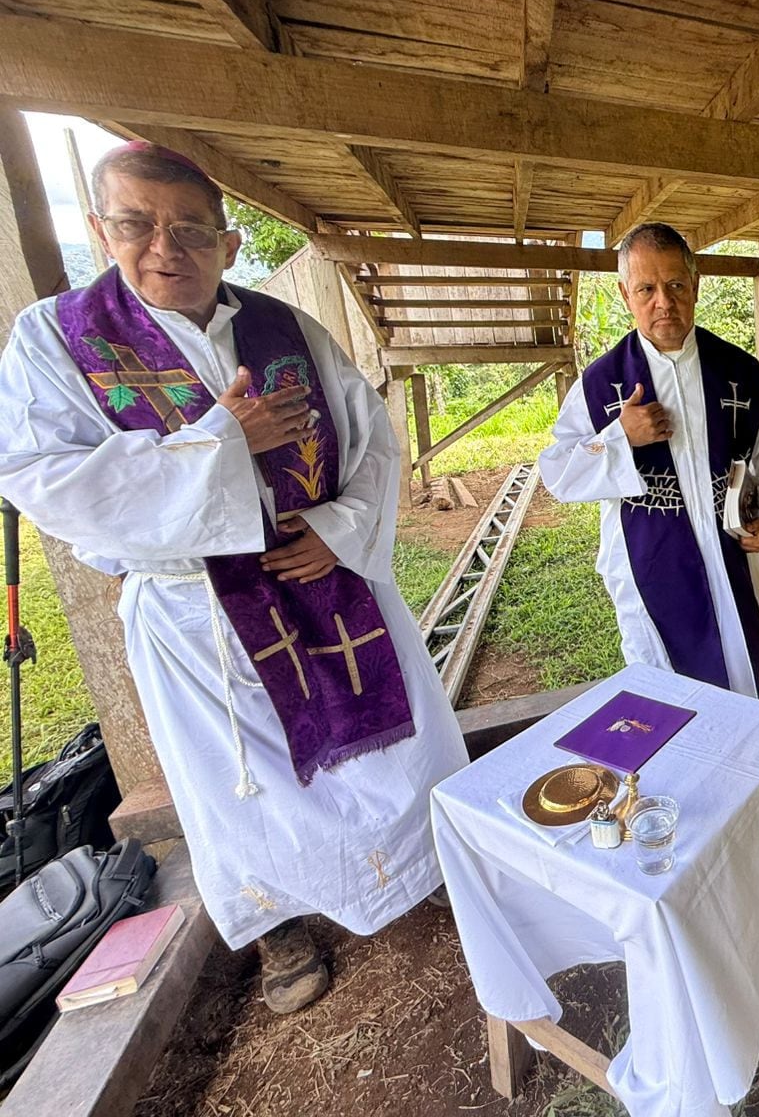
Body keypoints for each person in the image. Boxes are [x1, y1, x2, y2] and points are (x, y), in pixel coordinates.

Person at [0, 142, 468, 1014]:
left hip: (326, 576)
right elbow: (46, 479)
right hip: (198, 612)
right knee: (243, 784)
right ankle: (276, 925)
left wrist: (337, 530)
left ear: (229, 243)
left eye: (189, 230)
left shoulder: (285, 330)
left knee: (400, 745)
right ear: (102, 231)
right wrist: (223, 444)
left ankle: (408, 869)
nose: (163, 249)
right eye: (137, 225)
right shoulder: (56, 341)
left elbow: (371, 441)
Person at [539, 223, 759, 705]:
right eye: (646, 289)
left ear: (695, 286)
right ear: (625, 294)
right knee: (670, 700)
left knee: (754, 684)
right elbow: (558, 471)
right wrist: (621, 436)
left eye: (676, 285)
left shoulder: (737, 371)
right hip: (651, 567)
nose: (664, 301)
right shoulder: (602, 384)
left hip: (734, 563)